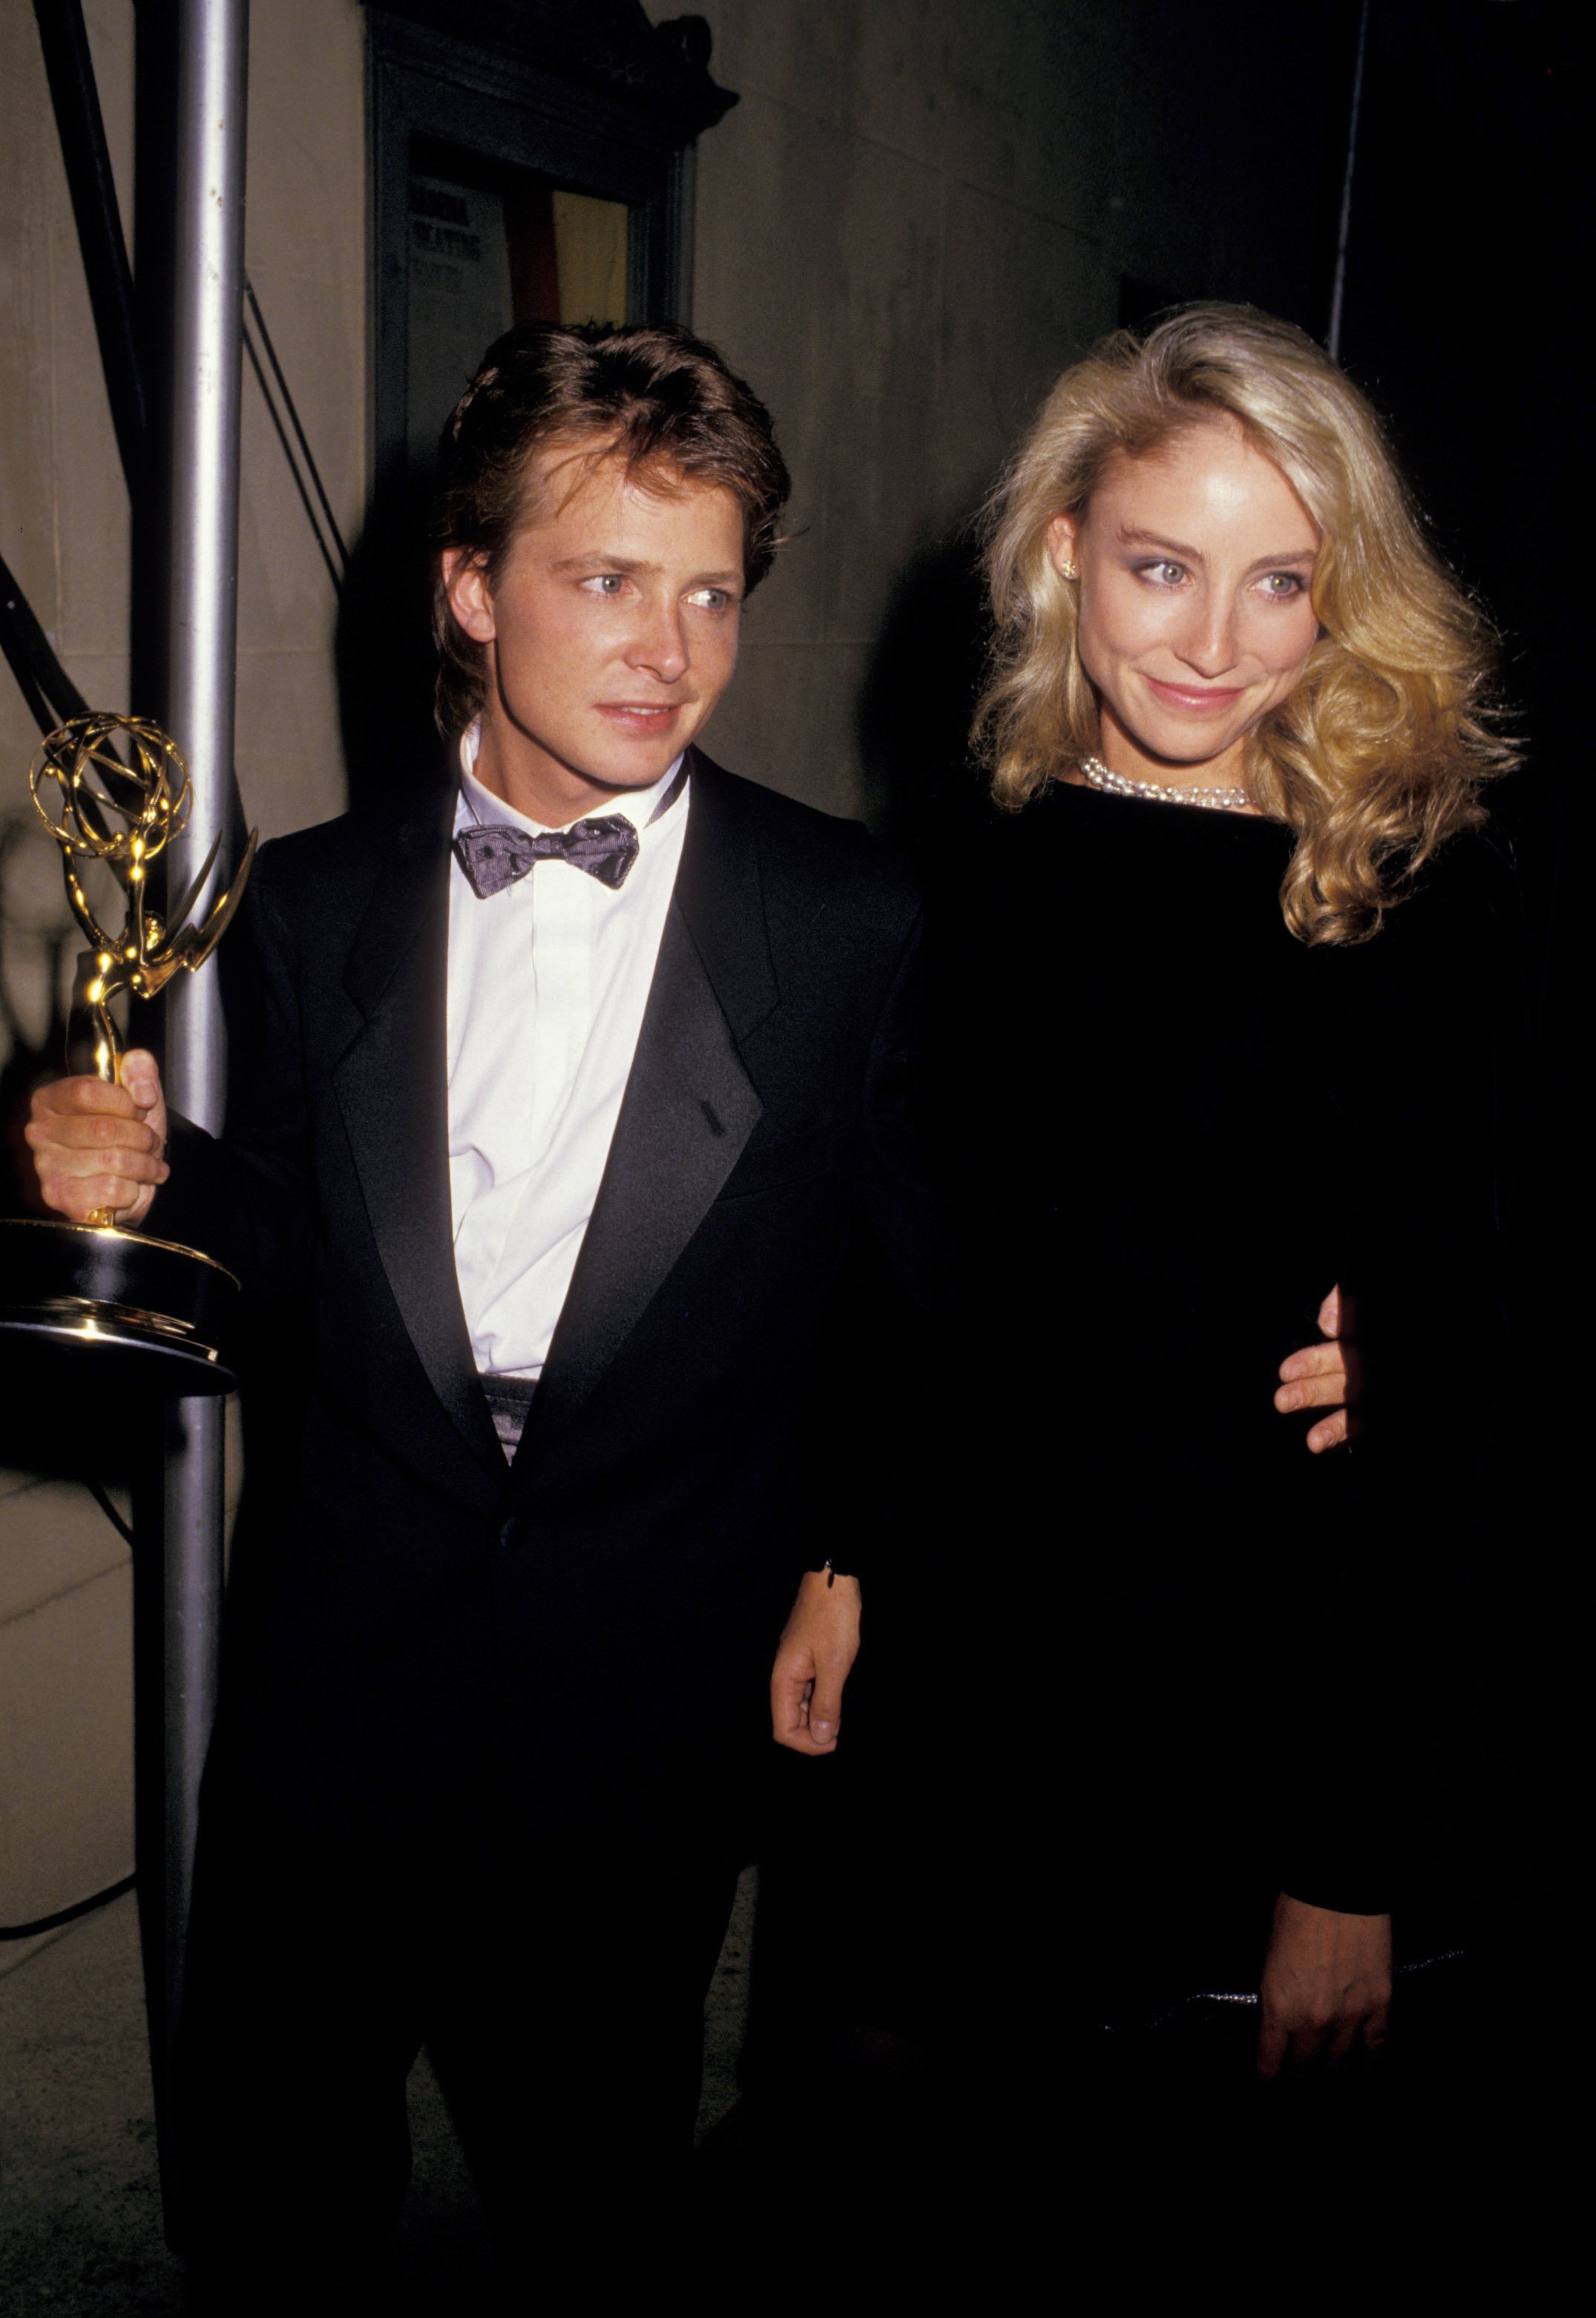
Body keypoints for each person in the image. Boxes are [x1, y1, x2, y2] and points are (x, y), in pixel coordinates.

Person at [25, 322, 927, 2301]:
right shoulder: (310, 900)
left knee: (596, 2188)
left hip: (647, 1676)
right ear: (468, 584)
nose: (669, 651)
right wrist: (145, 1173)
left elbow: (904, 1287)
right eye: (605, 579)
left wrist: (849, 1555)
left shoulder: (850, 919)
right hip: (336, 1653)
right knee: (278, 2194)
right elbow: (286, 1238)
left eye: (708, 593)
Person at [923, 305, 1520, 2152]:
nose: (1210, 639)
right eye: (1163, 566)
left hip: (1255, 1697)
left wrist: (1348, 1859)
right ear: (1060, 554)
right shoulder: (975, 866)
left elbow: (1434, 1443)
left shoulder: (1407, 904)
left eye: (1281, 583)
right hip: (986, 1686)